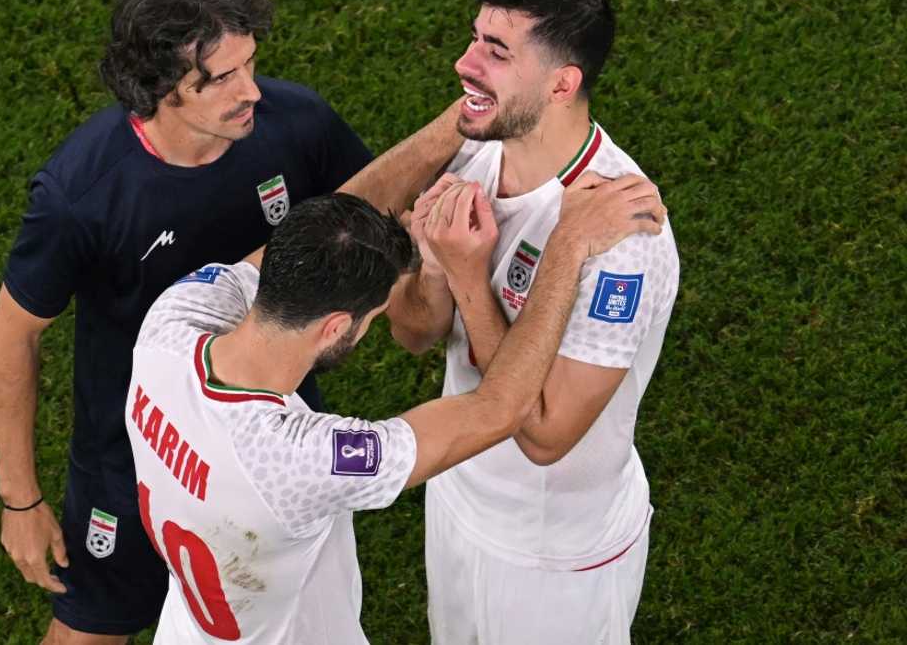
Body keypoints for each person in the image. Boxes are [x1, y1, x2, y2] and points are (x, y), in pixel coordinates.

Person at [0, 0, 463, 644]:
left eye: (250, 65)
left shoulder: (294, 123)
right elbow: (15, 332)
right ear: (157, 88)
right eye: (220, 79)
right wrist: (19, 498)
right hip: (138, 442)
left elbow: (358, 212)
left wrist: (455, 132)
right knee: (89, 629)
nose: (251, 92)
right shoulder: (82, 195)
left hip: (271, 429)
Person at [126, 175, 664, 643]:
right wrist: (568, 243)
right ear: (337, 328)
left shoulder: (170, 323)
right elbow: (501, 408)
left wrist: (452, 130)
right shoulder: (298, 460)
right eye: (372, 317)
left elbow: (298, 246)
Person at [386, 0, 681, 644]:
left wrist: (468, 275)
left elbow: (546, 433)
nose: (464, 64)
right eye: (474, 39)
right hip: (457, 495)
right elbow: (414, 334)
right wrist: (434, 269)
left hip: (553, 553)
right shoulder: (475, 151)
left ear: (561, 84)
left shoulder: (623, 238)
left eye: (496, 52)